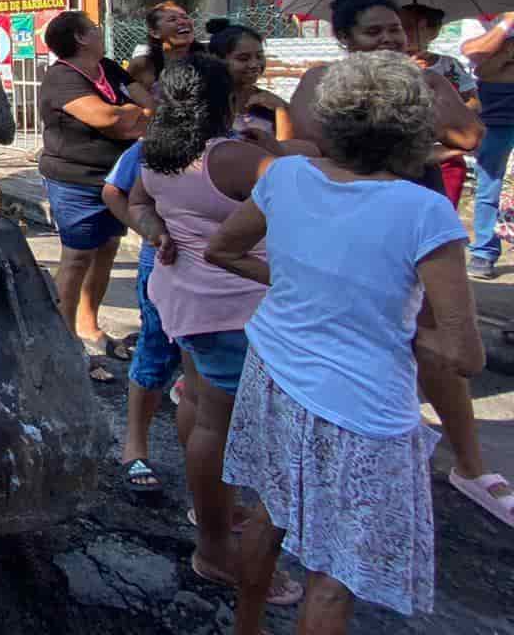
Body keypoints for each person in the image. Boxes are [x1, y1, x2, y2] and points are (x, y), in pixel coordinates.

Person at [208, 52, 486, 632]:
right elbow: (463, 355)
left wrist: (301, 287)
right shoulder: (425, 211)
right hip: (363, 406)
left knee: (271, 512)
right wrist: (395, 325)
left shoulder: (285, 177)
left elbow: (224, 251)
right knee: (334, 573)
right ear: (417, 129)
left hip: (275, 373)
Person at [288, 0, 509, 529]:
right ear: (345, 39)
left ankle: (470, 465)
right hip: (347, 221)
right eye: (374, 31)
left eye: (395, 30)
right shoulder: (320, 82)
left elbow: (470, 135)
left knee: (435, 337)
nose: (389, 38)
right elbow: (305, 145)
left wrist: (423, 96)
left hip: (417, 209)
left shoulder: (428, 80)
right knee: (358, 337)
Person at [127, 56, 300, 607]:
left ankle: (213, 512)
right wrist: (269, 146)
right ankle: (215, 546)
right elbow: (304, 194)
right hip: (235, 309)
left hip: (188, 301)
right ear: (224, 101)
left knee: (201, 408)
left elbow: (135, 201)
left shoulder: (155, 151)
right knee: (217, 427)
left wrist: (156, 229)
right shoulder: (231, 157)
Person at [37, 10, 151, 377]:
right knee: (76, 258)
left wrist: (132, 115)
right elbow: (109, 120)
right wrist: (129, 116)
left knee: (106, 252)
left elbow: (149, 106)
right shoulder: (62, 78)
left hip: (114, 178)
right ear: (81, 38)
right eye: (95, 29)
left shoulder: (108, 70)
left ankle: (88, 325)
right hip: (75, 179)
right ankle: (64, 341)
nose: (100, 32)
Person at [102, 139, 184, 495]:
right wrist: (151, 232)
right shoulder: (155, 145)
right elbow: (116, 193)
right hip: (168, 266)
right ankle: (135, 446)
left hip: (232, 283)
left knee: (207, 379)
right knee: (155, 351)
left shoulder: (258, 134)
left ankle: (211, 471)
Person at [402, 3, 478, 209]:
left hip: (447, 157)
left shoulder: (449, 65)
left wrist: (449, 112)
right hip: (401, 159)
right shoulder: (386, 66)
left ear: (433, 31)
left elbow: (473, 103)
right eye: (404, 26)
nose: (409, 33)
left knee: (442, 218)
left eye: (419, 26)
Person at [460, 10, 514, 279]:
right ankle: (483, 252)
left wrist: (502, 55)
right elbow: (480, 62)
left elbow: (493, 67)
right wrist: (508, 24)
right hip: (496, 116)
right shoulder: (481, 17)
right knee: (490, 185)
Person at [127, 0, 195, 94]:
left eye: (185, 17)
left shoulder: (210, 61)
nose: (183, 22)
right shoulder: (142, 65)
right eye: (172, 19)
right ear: (155, 33)